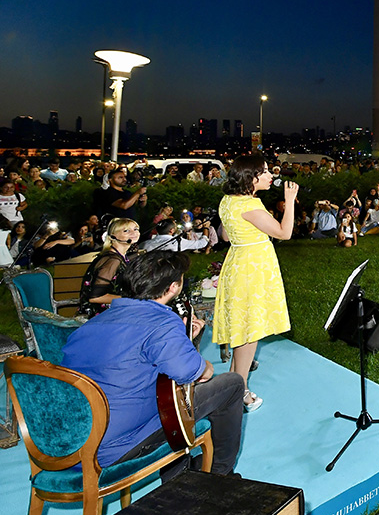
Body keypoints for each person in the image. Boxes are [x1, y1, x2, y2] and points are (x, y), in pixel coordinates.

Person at [60, 252, 244, 476]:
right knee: (232, 384)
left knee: (168, 399)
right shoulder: (162, 322)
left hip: (69, 445)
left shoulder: (91, 324)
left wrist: (184, 344)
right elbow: (194, 374)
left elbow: (147, 366)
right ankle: (218, 474)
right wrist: (205, 364)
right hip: (115, 448)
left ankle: (181, 474)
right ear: (174, 287)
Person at [216, 155, 297, 412]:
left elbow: (226, 235)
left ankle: (231, 381)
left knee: (243, 329)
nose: (270, 175)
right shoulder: (251, 205)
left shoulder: (228, 201)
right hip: (253, 269)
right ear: (251, 178)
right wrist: (291, 202)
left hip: (238, 262)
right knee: (249, 332)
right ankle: (240, 391)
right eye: (263, 172)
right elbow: (284, 233)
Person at [77, 217, 140, 318]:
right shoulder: (113, 260)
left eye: (136, 229)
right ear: (113, 236)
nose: (134, 233)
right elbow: (95, 297)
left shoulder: (120, 256)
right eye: (126, 230)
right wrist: (132, 299)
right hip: (102, 318)